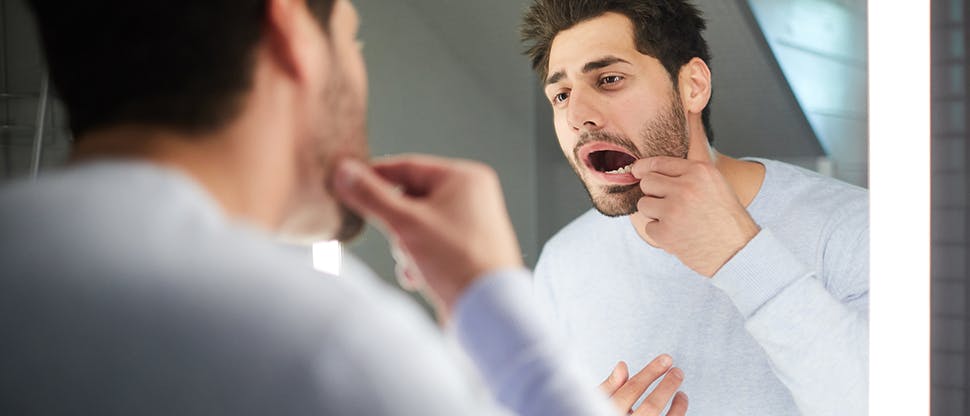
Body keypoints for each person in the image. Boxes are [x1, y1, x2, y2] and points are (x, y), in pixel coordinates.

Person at [0, 0, 690, 415]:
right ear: (293, 34)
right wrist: (505, 322)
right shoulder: (320, 348)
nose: (577, 114)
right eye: (351, 37)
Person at [520, 1, 868, 415]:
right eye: (561, 95)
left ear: (693, 86)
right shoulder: (563, 262)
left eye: (610, 79)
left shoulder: (853, 227)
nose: (578, 115)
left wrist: (740, 256)